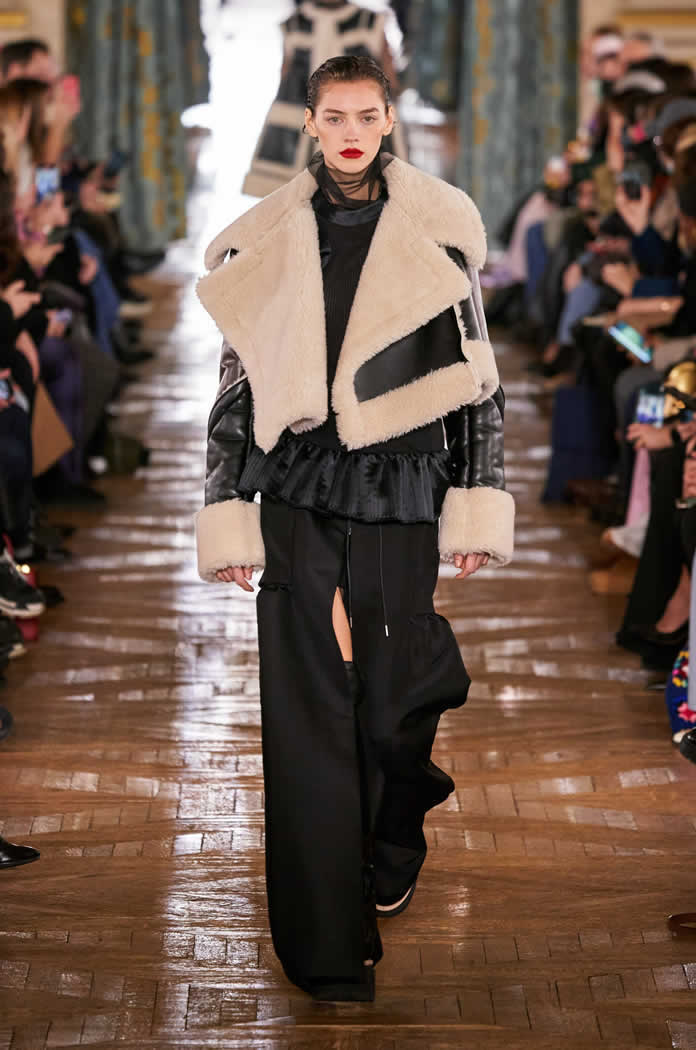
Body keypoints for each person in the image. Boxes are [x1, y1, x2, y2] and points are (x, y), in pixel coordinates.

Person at [195, 55, 514, 1002]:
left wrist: (477, 498)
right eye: (333, 116)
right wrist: (227, 510)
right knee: (308, 707)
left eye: (366, 116)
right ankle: (326, 940)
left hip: (402, 477)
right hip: (297, 477)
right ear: (309, 122)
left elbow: (478, 385)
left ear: (386, 122)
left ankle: (396, 821)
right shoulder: (269, 238)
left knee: (393, 692)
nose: (350, 133)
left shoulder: (438, 230)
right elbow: (235, 387)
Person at [242, 1, 406, 198]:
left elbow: (389, 75)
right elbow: (391, 79)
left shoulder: (370, 22)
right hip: (302, 124)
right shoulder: (295, 24)